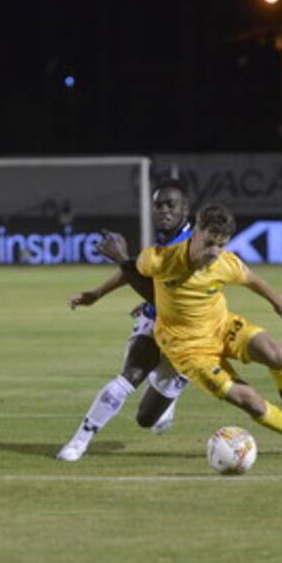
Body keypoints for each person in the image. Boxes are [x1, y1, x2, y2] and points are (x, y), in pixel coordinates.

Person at [99, 204, 282, 456]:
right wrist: (99, 291)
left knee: (278, 356)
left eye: (221, 245)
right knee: (250, 402)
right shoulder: (159, 259)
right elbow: (131, 273)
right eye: (209, 243)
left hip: (221, 327)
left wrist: (276, 300)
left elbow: (251, 278)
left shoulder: (224, 263)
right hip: (189, 349)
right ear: (196, 232)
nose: (214, 252)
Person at [56, 180, 193, 462]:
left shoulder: (190, 249)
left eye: (171, 205)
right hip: (157, 323)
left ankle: (167, 392)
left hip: (189, 335)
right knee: (130, 375)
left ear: (185, 210)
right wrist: (96, 294)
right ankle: (79, 441)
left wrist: (122, 259)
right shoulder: (164, 242)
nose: (164, 211)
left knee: (146, 419)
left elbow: (160, 294)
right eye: (158, 205)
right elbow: (140, 272)